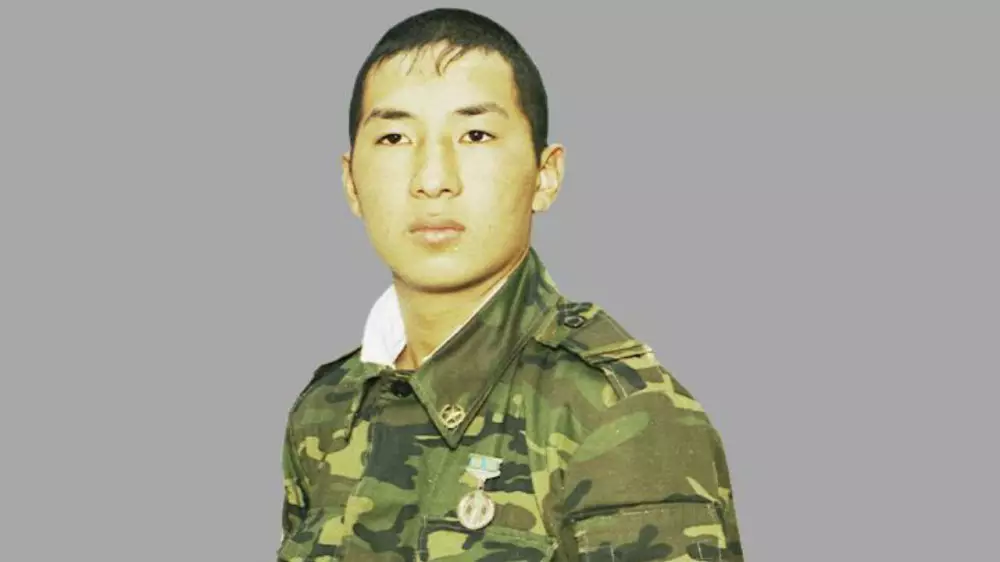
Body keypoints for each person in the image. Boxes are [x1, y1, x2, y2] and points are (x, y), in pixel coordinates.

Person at [278, 7, 744, 561]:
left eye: (475, 135)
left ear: (545, 175)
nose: (433, 179)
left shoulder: (616, 413)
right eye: (395, 137)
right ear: (351, 182)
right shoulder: (327, 410)